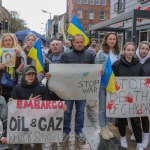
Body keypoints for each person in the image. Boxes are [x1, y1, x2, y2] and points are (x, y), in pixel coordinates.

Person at [60, 34, 95, 143]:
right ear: (73, 43)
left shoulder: (90, 56)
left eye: (81, 42)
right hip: (68, 89)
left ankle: (78, 131)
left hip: (82, 89)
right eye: (77, 42)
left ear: (84, 42)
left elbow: (93, 71)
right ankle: (65, 131)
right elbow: (60, 72)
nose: (80, 44)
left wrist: (99, 72)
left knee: (80, 111)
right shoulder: (65, 55)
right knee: (67, 111)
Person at [112, 42, 143, 150]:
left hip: (134, 97)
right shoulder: (117, 64)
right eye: (128, 50)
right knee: (121, 119)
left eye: (132, 50)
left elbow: (142, 80)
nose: (130, 52)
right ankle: (123, 137)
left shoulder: (138, 64)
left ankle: (139, 142)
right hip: (121, 96)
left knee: (135, 119)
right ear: (124, 51)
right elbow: (113, 80)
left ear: (135, 51)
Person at [95, 32, 120, 140]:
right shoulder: (101, 53)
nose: (112, 41)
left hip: (113, 84)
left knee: (109, 106)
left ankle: (107, 127)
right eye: (110, 39)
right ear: (106, 40)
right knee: (102, 107)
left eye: (114, 39)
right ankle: (102, 128)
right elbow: (96, 67)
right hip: (102, 83)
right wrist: (98, 71)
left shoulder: (118, 53)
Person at [130, 41, 150, 149]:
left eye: (147, 49)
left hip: (146, 93)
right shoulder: (133, 60)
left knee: (144, 115)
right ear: (139, 49)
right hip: (134, 92)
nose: (144, 51)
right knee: (134, 114)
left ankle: (146, 136)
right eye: (142, 48)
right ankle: (136, 132)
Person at [0, 33, 26, 102]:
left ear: (12, 41)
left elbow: (18, 68)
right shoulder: (0, 51)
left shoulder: (17, 51)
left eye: (10, 40)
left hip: (13, 80)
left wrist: (18, 56)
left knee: (11, 100)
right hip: (1, 79)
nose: (8, 42)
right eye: (6, 40)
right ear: (3, 42)